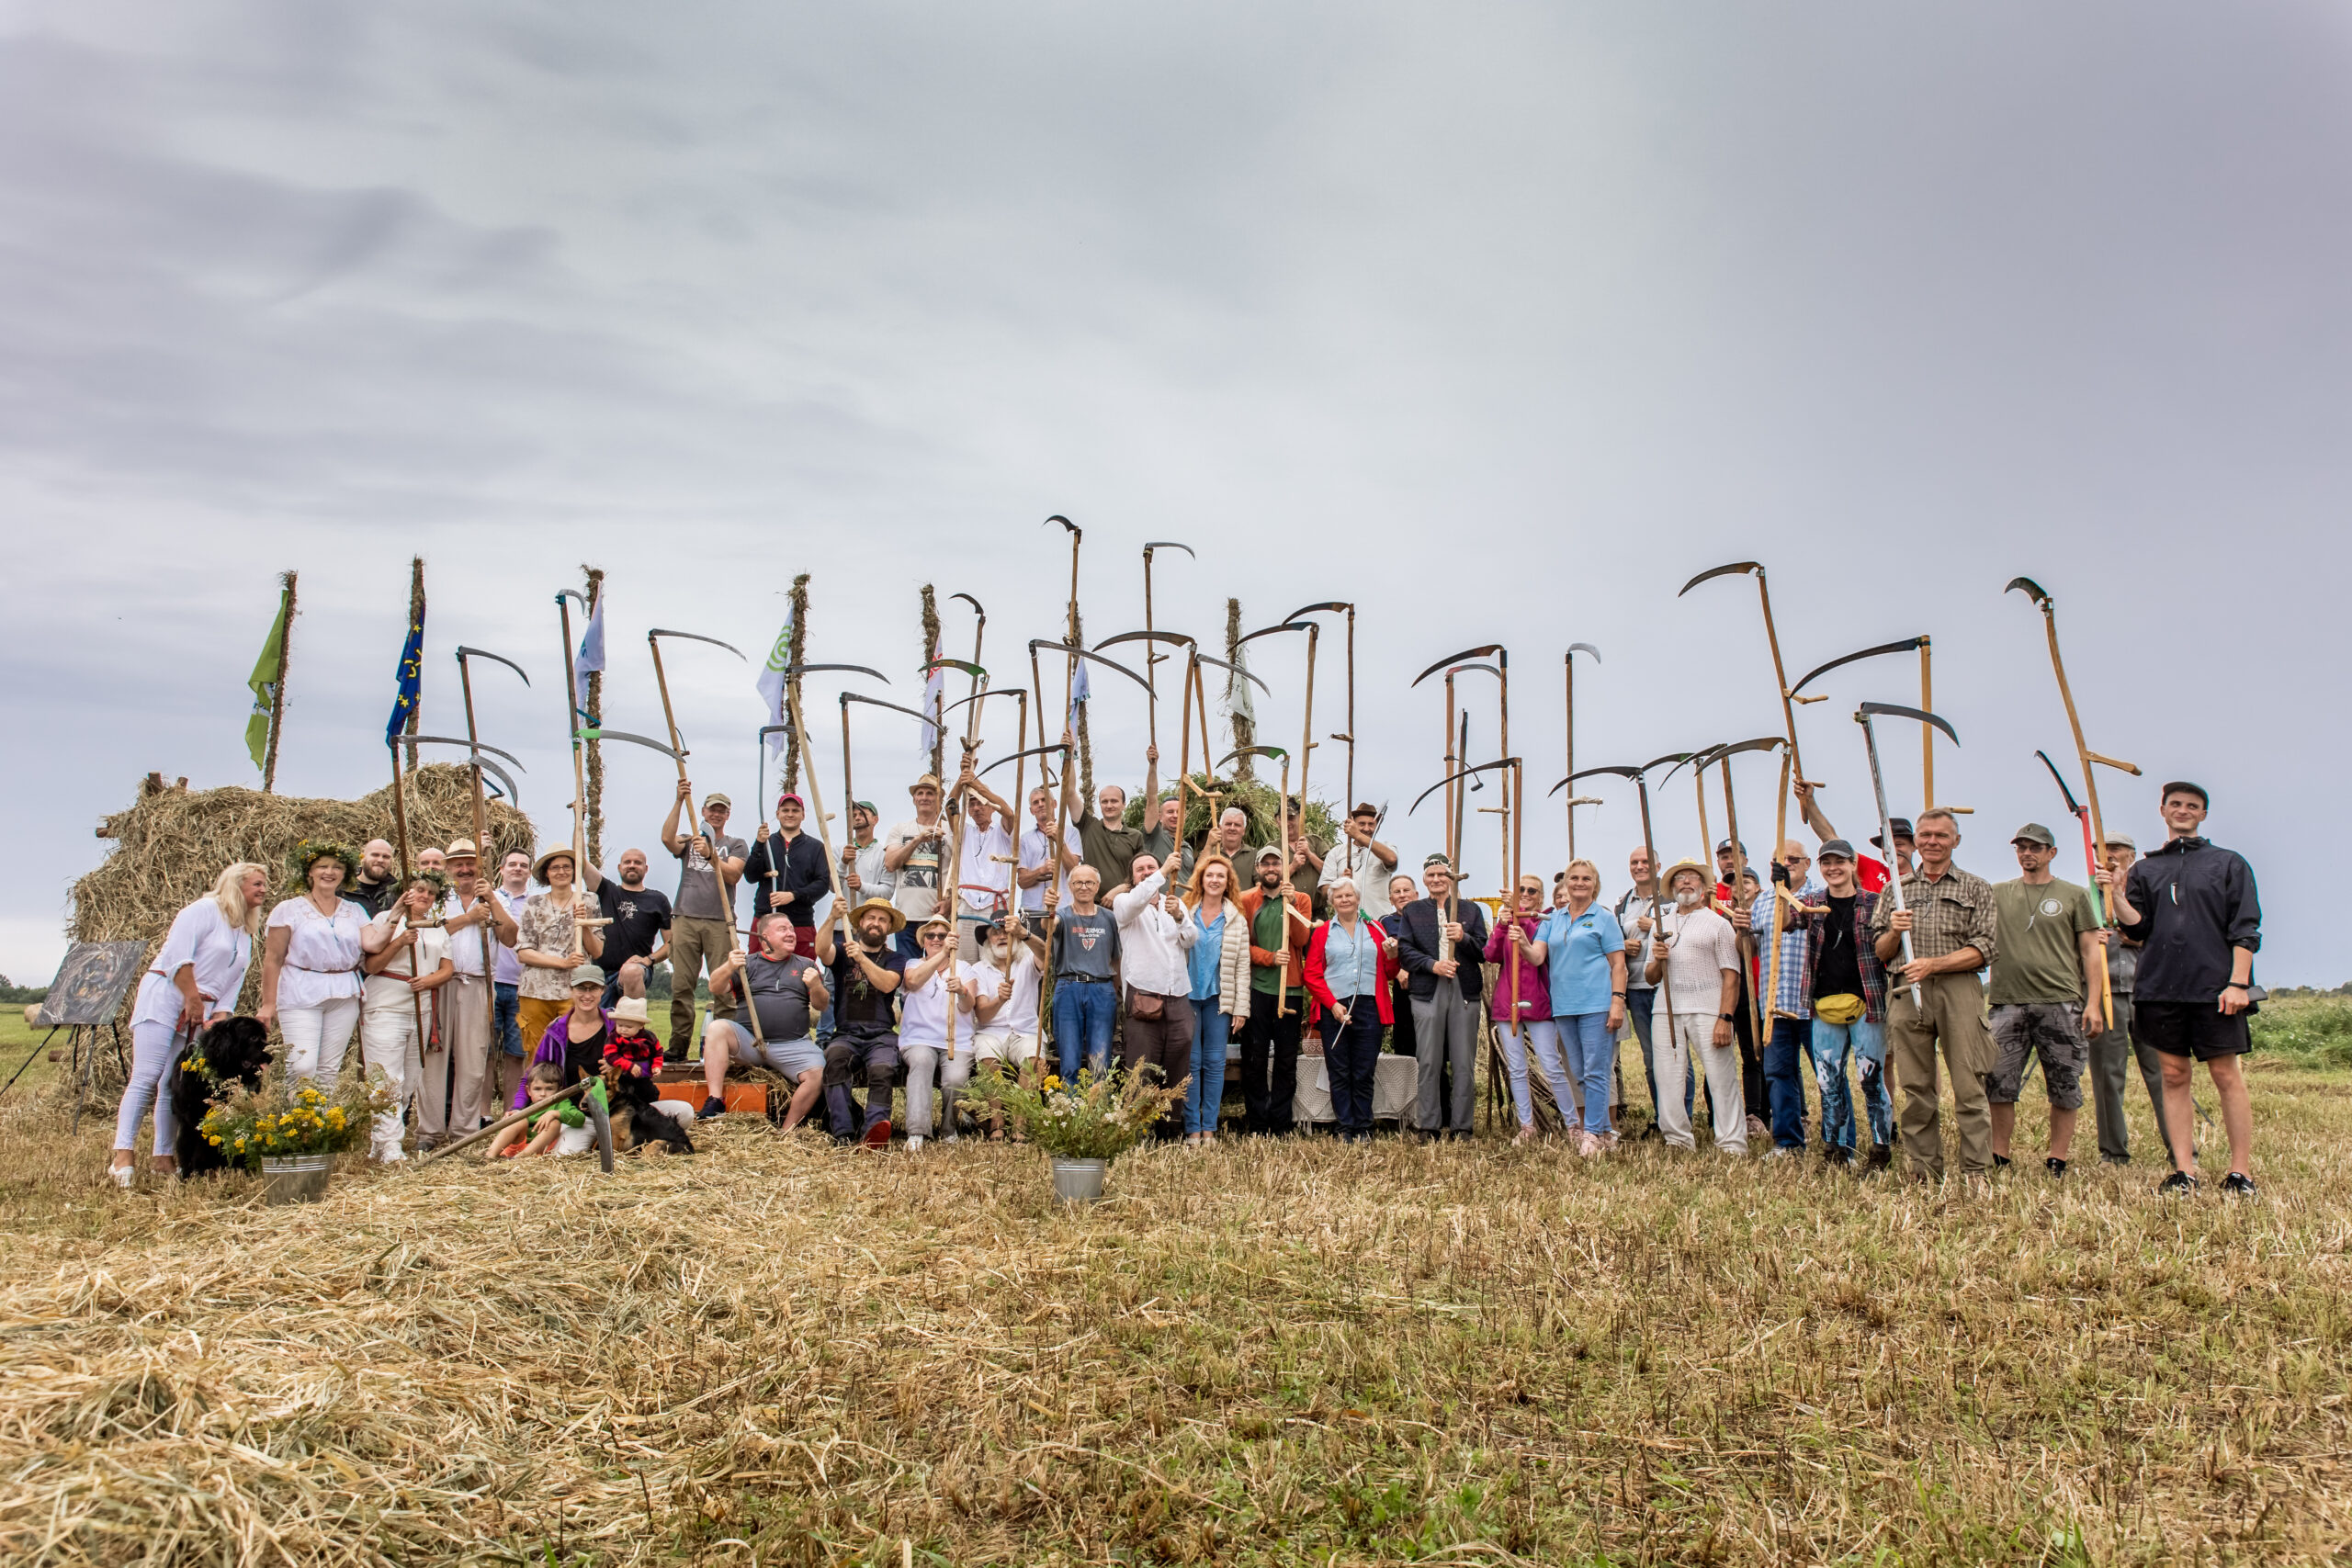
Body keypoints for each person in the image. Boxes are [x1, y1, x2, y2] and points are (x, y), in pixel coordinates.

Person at [2098, 782, 2262, 1196]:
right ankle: (2184, 1171)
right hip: (2159, 988)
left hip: (2216, 989)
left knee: (2227, 1076)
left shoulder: (2229, 863)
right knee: (2173, 1075)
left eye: (2192, 805)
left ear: (2203, 814)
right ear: (2163, 810)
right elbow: (2137, 928)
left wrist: (2238, 983)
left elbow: (2245, 928)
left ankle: (2240, 1172)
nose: (2184, 810)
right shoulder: (2147, 869)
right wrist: (2117, 894)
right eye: (2176, 804)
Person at [113, 862, 266, 1185]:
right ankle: (122, 1156)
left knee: (175, 1080)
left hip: (202, 1009)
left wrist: (218, 1021)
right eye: (257, 884)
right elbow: (179, 959)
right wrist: (191, 998)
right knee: (147, 1074)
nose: (264, 890)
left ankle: (163, 1156)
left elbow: (232, 983)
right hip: (168, 995)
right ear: (236, 885)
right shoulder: (203, 910)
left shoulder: (244, 931)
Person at [1871, 808, 1999, 1181]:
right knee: (1915, 1086)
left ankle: (1976, 1171)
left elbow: (1985, 948)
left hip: (1958, 990)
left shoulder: (1976, 887)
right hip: (1906, 990)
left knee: (1968, 1083)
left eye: (1941, 835)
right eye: (1925, 835)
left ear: (1955, 841)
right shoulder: (1896, 889)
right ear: (1915, 843)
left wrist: (1934, 965)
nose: (1932, 842)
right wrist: (1895, 931)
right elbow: (1880, 951)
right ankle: (1923, 1168)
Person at [1985, 823, 2105, 1177]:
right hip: (2007, 1001)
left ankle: (2058, 1157)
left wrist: (2093, 1003)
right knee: (1998, 1082)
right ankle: (1999, 1154)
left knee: (2065, 1083)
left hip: (2061, 1002)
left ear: (2051, 853)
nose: (2027, 853)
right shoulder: (1997, 893)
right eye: (2021, 847)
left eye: (2036, 847)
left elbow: (2090, 951)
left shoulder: (2073, 895)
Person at [1798, 840, 1893, 1169]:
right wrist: (1780, 884)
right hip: (1824, 1005)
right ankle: (1836, 1151)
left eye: (1839, 862)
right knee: (1828, 1081)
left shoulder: (1875, 902)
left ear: (1853, 864)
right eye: (1827, 863)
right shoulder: (1811, 904)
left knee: (1870, 1079)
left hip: (1867, 1005)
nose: (1833, 868)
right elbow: (1784, 923)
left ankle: (1881, 1150)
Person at [1640, 861, 1746, 1156]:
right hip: (1666, 1009)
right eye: (1680, 879)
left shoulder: (1717, 923)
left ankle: (1732, 1142)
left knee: (1720, 1076)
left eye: (1693, 878)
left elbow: (1731, 975)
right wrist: (1659, 959)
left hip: (1709, 1007)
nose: (1686, 882)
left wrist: (1725, 1017)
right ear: (1672, 888)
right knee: (1667, 1075)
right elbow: (1650, 977)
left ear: (1702, 887)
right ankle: (1677, 1139)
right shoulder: (1662, 924)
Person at [1525, 860, 1627, 1156]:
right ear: (1566, 884)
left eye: (1586, 878)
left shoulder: (1604, 918)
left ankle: (1593, 1133)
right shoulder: (1553, 920)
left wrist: (1617, 1002)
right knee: (1581, 1073)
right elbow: (1536, 957)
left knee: (1596, 1070)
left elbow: (1618, 964)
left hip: (1596, 1003)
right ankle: (1605, 1133)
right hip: (1564, 1006)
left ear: (1595, 884)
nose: (1580, 883)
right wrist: (1520, 941)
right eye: (1574, 878)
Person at [417, 840, 514, 1149]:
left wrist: (492, 905)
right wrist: (468, 919)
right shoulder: (436, 898)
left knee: (473, 1061)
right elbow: (426, 931)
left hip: (478, 983)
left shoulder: (495, 898)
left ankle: (463, 1132)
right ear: (447, 868)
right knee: (433, 1058)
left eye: (470, 862)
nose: (464, 869)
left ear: (480, 865)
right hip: (439, 983)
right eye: (457, 863)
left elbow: (511, 938)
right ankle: (429, 1132)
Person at [2086, 833, 2173, 1166]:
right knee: (2107, 1074)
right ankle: (2113, 1152)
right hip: (2105, 992)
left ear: (2132, 855)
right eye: (2100, 850)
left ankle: (2180, 1150)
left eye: (2117, 850)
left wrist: (2132, 938)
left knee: (2164, 1072)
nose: (2109, 856)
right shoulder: (2086, 898)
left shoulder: (2150, 892)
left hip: (2148, 991)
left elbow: (2163, 938)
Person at [699, 914, 831, 1134]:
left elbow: (822, 1005)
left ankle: (786, 1130)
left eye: (791, 929)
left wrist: (816, 985)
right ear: (764, 937)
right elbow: (715, 987)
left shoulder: (806, 965)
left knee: (818, 1074)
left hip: (793, 1044)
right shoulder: (746, 964)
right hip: (750, 1042)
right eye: (782, 929)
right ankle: (715, 1101)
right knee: (717, 1027)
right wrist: (729, 966)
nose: (791, 933)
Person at [1396, 853, 1491, 1142]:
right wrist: (1432, 965)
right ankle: (1428, 1124)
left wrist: (1464, 937)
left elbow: (1484, 952)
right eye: (1431, 875)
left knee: (1463, 1060)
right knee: (1428, 1059)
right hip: (1427, 989)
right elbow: (1405, 950)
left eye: (1442, 874)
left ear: (1451, 878)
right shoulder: (1413, 911)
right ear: (1424, 880)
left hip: (1464, 990)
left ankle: (1462, 1126)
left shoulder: (1470, 910)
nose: (1437, 880)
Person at [357, 873, 453, 1162]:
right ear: (406, 892)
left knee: (410, 1077)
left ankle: (382, 1141)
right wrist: (400, 941)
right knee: (387, 1077)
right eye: (419, 890)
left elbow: (448, 968)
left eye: (431, 893)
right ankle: (390, 1146)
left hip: (421, 1003)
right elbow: (372, 965)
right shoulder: (387, 919)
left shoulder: (437, 926)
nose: (424, 896)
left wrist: (429, 981)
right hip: (387, 1002)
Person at [259, 841, 369, 1084]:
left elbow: (373, 944)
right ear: (309, 872)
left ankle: (321, 1122)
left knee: (328, 1070)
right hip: (301, 990)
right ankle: (297, 1120)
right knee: (302, 1066)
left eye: (337, 867)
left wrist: (396, 916)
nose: (329, 872)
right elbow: (273, 958)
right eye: (322, 866)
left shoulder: (356, 910)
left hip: (343, 992)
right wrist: (268, 1004)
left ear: (345, 873)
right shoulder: (288, 909)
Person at [1113, 851, 1202, 1135]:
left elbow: (1190, 940)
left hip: (1177, 994)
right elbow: (1135, 902)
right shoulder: (1125, 903)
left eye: (1150, 867)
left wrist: (1179, 917)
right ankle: (1138, 1132)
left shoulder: (1173, 903)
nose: (1147, 872)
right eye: (1141, 869)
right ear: (1133, 877)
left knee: (1177, 1062)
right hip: (1143, 993)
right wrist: (1162, 870)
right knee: (1141, 1067)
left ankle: (1171, 1130)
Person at [1748, 840, 1824, 1156]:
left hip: (1814, 1003)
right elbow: (1751, 949)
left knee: (1827, 1074)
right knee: (1779, 1074)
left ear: (1807, 863)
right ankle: (1789, 1142)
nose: (1787, 864)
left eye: (1794, 859)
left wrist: (1788, 891)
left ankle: (1838, 1140)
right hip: (1775, 1002)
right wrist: (1741, 931)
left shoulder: (1821, 897)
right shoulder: (1763, 901)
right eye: (1780, 861)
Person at [661, 782, 747, 1059]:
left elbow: (733, 875)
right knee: (682, 985)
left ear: (728, 815)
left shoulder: (735, 844)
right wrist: (677, 801)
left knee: (724, 988)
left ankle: (727, 1050)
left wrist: (711, 855)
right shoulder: (689, 840)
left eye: (722, 811)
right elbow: (667, 839)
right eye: (712, 810)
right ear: (704, 811)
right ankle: (677, 1048)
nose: (717, 815)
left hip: (719, 921)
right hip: (685, 917)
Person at [813, 897, 909, 1145]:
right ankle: (843, 1132)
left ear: (888, 928)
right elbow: (821, 950)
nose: (876, 924)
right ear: (861, 923)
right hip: (846, 1033)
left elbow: (888, 984)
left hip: (881, 1035)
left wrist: (862, 959)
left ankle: (874, 1131)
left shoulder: (896, 959)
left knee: (882, 1069)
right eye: (871, 918)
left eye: (882, 920)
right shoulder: (843, 951)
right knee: (835, 1060)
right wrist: (832, 917)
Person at [1486, 873, 1572, 1145]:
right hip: (1507, 1002)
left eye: (1531, 891)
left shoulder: (1546, 921)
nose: (1525, 893)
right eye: (1520, 889)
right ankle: (1527, 1127)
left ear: (1541, 897)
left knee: (1552, 1066)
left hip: (1538, 1002)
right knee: (1517, 1068)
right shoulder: (1508, 919)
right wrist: (1502, 924)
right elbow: (1491, 954)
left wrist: (1518, 913)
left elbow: (1538, 953)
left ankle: (1573, 1125)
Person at [1302, 876, 1390, 1144]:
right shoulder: (1322, 932)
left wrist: (1393, 955)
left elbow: (1390, 971)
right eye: (1338, 896)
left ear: (1358, 898)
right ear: (1332, 903)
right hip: (1334, 1008)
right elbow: (1312, 973)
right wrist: (1333, 1005)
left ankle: (1364, 1126)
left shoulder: (1376, 930)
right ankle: (1344, 1127)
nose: (1345, 900)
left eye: (1349, 895)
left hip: (1369, 1006)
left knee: (1364, 1070)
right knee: (1339, 1070)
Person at [1236, 844, 1313, 1135]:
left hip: (1289, 990)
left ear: (1284, 868)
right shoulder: (1246, 901)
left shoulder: (1300, 899)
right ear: (1257, 869)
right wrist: (1268, 958)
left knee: (1285, 1060)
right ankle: (1257, 1122)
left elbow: (1300, 938)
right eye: (1265, 864)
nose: (1271, 869)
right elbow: (1241, 945)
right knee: (1254, 1059)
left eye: (1276, 864)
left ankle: (1280, 1124)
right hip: (1257, 989)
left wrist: (1289, 904)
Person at [513, 847, 605, 1066]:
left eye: (567, 867)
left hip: (574, 989)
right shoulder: (534, 903)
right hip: (536, 990)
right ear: (547, 873)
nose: (561, 871)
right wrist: (563, 962)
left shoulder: (588, 901)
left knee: (573, 1048)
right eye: (555, 867)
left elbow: (598, 950)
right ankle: (538, 1098)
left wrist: (584, 924)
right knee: (537, 1050)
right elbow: (524, 952)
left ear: (574, 871)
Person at [1182, 853, 1250, 1146]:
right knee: (1191, 1062)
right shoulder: (1185, 913)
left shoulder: (1235, 919)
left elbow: (1243, 966)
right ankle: (1192, 1129)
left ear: (1228, 882)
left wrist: (1241, 1009)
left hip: (1219, 999)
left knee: (1214, 1062)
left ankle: (1209, 1128)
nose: (1214, 879)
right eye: (1210, 875)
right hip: (1187, 997)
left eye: (1221, 876)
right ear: (1200, 879)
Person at [1612, 848, 1679, 1136]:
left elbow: (1684, 929)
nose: (1640, 867)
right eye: (1634, 863)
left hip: (1668, 985)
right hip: (1638, 988)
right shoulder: (1623, 903)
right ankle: (1660, 1117)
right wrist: (1623, 946)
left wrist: (1654, 926)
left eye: (1645, 862)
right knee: (1651, 1059)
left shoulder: (1672, 897)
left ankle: (1680, 1117)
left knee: (1675, 1056)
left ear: (1658, 866)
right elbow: (1614, 941)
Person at [970, 911, 1049, 1139]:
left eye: (1006, 932)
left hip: (1024, 1030)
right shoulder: (979, 969)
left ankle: (1020, 1124)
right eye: (994, 933)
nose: (1001, 936)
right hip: (991, 1031)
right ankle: (997, 1123)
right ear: (987, 941)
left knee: (1033, 1057)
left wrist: (1024, 933)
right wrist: (1000, 1000)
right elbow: (983, 1016)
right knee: (986, 1056)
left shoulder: (1028, 961)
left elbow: (1046, 953)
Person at [897, 917, 974, 1150]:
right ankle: (917, 1131)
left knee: (956, 1078)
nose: (937, 939)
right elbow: (913, 982)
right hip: (919, 1038)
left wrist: (961, 991)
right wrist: (943, 955)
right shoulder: (912, 964)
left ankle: (949, 1128)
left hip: (956, 1040)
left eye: (942, 935)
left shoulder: (964, 968)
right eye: (931, 936)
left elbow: (969, 1006)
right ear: (923, 941)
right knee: (920, 1062)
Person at [1048, 866, 1120, 1080]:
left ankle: (1097, 1111)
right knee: (1069, 1061)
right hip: (1069, 987)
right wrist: (1049, 909)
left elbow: (1116, 958)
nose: (1084, 887)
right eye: (1078, 883)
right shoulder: (1062, 915)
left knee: (1100, 1061)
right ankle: (1068, 1111)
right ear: (1070, 887)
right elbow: (1050, 926)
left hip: (1102, 988)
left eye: (1089, 882)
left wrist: (1112, 990)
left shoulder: (1109, 918)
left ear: (1097, 886)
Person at [580, 846, 672, 1011]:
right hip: (600, 972)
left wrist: (649, 960)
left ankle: (633, 1033)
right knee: (601, 1025)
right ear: (619, 867)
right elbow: (580, 861)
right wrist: (578, 821)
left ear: (646, 868)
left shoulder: (658, 900)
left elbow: (672, 943)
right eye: (627, 862)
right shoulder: (606, 891)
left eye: (638, 863)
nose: (632, 865)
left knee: (631, 972)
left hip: (637, 971)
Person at [743, 792, 832, 957]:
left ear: (803, 815)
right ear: (778, 814)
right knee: (758, 971)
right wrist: (758, 844)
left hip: (800, 922)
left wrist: (793, 895)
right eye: (785, 810)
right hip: (765, 920)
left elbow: (822, 884)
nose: (790, 814)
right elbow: (750, 876)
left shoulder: (816, 847)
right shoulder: (766, 843)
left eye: (795, 810)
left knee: (802, 972)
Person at [950, 772, 1018, 961]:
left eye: (981, 803)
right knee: (963, 959)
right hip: (967, 901)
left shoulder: (1002, 831)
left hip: (993, 904)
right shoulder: (964, 831)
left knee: (994, 959)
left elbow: (1009, 812)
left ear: (991, 808)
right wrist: (962, 778)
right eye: (972, 804)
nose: (977, 808)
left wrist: (977, 785)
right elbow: (950, 807)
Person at [884, 773, 952, 956]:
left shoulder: (950, 830)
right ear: (914, 799)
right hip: (907, 918)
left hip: (937, 917)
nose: (924, 797)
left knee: (939, 971)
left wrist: (951, 901)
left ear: (939, 799)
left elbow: (961, 871)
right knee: (909, 974)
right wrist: (918, 839)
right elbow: (891, 864)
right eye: (920, 793)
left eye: (930, 793)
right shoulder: (900, 829)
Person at [485, 1060, 598, 1161]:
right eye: (537, 1089)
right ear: (528, 1091)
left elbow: (580, 1119)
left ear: (559, 1091)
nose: (543, 1094)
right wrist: (509, 1119)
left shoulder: (561, 1103)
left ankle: (521, 1158)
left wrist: (556, 1113)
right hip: (517, 1145)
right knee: (519, 1119)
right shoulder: (528, 1106)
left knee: (554, 1123)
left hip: (537, 1151)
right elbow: (501, 1133)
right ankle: (489, 1156)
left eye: (549, 1089)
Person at [490, 849, 534, 1104]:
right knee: (486, 1052)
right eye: (512, 864)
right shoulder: (488, 898)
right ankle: (483, 1113)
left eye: (523, 865)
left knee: (516, 1053)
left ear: (529, 872)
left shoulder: (536, 903)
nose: (517, 868)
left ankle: (511, 1110)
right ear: (501, 869)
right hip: (492, 984)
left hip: (521, 987)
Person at [1328, 805, 1399, 924]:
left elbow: (1392, 859)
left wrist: (1357, 835)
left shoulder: (1386, 847)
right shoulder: (1336, 852)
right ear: (1353, 824)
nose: (1367, 828)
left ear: (1377, 826)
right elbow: (1325, 888)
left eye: (1371, 824)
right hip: (1348, 924)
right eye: (1361, 824)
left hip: (1381, 922)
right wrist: (1341, 883)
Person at [1017, 784, 1078, 918]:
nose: (1040, 804)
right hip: (1032, 911)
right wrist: (1041, 871)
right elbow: (1021, 881)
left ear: (1054, 804)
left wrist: (1059, 840)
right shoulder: (1025, 839)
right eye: (1035, 802)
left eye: (1044, 800)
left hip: (1063, 909)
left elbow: (1074, 870)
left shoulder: (1071, 833)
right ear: (1031, 810)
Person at [1380, 873, 1422, 1061]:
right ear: (1391, 899)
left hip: (1427, 985)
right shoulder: (1385, 922)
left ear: (1416, 895)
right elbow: (1382, 954)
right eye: (1397, 892)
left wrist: (1408, 967)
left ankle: (1439, 1090)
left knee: (1432, 1045)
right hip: (1402, 989)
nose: (1402, 895)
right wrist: (1398, 969)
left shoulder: (1428, 918)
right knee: (1405, 1043)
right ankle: (1406, 1090)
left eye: (1406, 890)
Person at [1138, 761, 1197, 886]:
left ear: (1185, 817)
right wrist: (1153, 766)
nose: (1175, 816)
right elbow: (1152, 798)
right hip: (1161, 902)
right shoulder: (1155, 836)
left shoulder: (1187, 847)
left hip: (1184, 903)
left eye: (1179, 812)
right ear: (1160, 817)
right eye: (1170, 812)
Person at [840, 799, 896, 918]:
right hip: (843, 923)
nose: (857, 818)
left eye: (862, 814)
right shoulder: (840, 850)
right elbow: (832, 887)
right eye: (854, 815)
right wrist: (843, 863)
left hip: (871, 923)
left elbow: (887, 892)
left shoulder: (885, 854)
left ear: (875, 820)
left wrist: (861, 886)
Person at [1280, 795, 1327, 911]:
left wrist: (1309, 854)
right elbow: (1270, 881)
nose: (1287, 823)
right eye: (1283, 818)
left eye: (1291, 818)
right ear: (1277, 821)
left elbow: (1331, 873)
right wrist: (1293, 866)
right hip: (1288, 914)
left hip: (1317, 914)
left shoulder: (1316, 841)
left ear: (1299, 818)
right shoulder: (1272, 848)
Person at [345, 839, 399, 917]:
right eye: (375, 855)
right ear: (362, 857)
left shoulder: (396, 893)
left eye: (386, 857)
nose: (380, 860)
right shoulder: (342, 891)